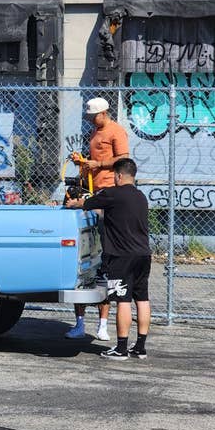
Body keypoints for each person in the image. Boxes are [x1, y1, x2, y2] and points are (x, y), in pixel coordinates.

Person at [66, 158, 151, 360]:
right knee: (142, 299)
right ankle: (139, 347)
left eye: (114, 175)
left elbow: (87, 203)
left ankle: (121, 348)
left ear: (119, 175)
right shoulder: (141, 197)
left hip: (122, 256)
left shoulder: (113, 194)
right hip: (143, 254)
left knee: (122, 300)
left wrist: (73, 203)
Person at [66, 96, 130, 341]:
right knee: (85, 257)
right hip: (92, 192)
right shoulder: (94, 132)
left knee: (104, 258)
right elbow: (93, 164)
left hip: (107, 193)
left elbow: (123, 159)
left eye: (94, 116)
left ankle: (103, 325)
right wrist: (83, 163)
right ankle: (79, 323)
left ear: (104, 113)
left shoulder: (116, 131)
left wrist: (99, 163)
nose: (91, 120)